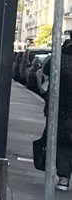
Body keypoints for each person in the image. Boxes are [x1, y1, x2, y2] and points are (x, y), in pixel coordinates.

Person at [36, 37, 72, 190]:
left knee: (61, 141)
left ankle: (63, 176)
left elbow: (44, 76)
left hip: (59, 107)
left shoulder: (58, 58)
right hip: (61, 106)